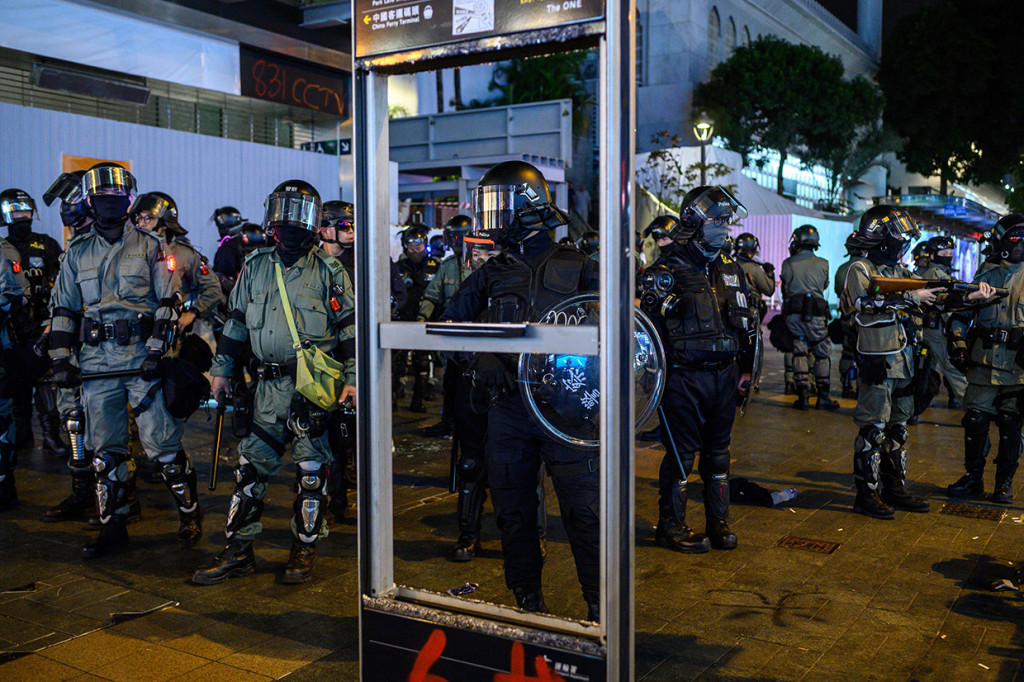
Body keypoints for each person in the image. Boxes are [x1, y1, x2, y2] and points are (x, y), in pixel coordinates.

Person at [439, 160, 600, 619]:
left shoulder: (582, 267)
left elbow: (619, 335)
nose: (491, 217)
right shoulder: (492, 272)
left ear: (528, 207)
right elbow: (447, 327)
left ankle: (598, 608)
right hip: (508, 408)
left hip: (567, 410)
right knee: (513, 514)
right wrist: (479, 357)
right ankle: (527, 603)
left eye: (499, 204)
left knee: (586, 516)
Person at [193, 180, 356, 585]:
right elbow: (236, 322)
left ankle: (304, 548)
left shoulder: (329, 270)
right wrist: (221, 369)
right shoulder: (256, 265)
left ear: (316, 222)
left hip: (312, 389)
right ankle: (239, 551)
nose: (289, 220)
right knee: (251, 470)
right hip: (266, 389)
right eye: (283, 210)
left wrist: (351, 381)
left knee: (311, 473)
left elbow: (351, 331)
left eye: (299, 212)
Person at [48, 163, 198, 557]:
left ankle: (189, 512)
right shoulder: (76, 252)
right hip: (95, 366)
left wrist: (155, 351)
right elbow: (63, 309)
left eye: (117, 195)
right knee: (105, 451)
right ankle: (113, 525)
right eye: (102, 196)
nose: (109, 202)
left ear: (128, 199)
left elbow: (168, 303)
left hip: (140, 361)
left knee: (162, 446)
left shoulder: (153, 247)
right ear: (91, 200)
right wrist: (61, 359)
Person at [840, 206, 991, 519]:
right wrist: (913, 298)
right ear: (880, 237)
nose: (901, 242)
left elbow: (932, 301)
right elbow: (864, 304)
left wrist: (971, 298)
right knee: (873, 429)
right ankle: (865, 495)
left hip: (904, 361)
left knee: (898, 429)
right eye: (896, 235)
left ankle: (893, 488)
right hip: (878, 361)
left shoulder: (899, 272)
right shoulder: (860, 268)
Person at [638, 186, 756, 556]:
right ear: (693, 224)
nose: (723, 228)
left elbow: (748, 324)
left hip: (726, 375)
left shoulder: (731, 268)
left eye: (725, 221)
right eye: (715, 221)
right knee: (681, 456)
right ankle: (671, 525)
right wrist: (654, 381)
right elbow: (646, 333)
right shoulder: (666, 270)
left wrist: (746, 371)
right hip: (683, 378)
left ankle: (717, 522)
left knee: (719, 454)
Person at [947, 214, 1024, 504]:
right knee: (976, 421)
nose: (1019, 248)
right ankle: (973, 478)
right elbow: (961, 312)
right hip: (983, 365)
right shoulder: (985, 274)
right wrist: (956, 339)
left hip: (1018, 369)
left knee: (1010, 424)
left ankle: (1004, 482)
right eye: (1014, 242)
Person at [0, 188, 67, 456]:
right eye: (16, 211)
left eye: (26, 210)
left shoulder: (46, 244)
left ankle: (51, 435)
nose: (22, 216)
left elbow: (63, 282)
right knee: (14, 379)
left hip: (41, 322)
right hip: (10, 326)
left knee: (44, 378)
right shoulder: (3, 248)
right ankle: (20, 434)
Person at [417, 215, 474, 439]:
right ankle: (448, 422)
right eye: (453, 236)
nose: (457, 241)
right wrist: (423, 318)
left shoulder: (485, 264)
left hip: (479, 337)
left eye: (461, 236)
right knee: (451, 383)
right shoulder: (448, 266)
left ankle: (472, 428)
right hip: (453, 337)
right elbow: (432, 295)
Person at [781, 225, 838, 410]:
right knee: (822, 354)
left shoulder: (788, 263)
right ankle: (822, 397)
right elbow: (824, 285)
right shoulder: (824, 263)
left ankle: (803, 397)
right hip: (816, 316)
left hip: (794, 316)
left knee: (799, 351)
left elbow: (786, 289)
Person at [394, 224, 440, 412]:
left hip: (426, 319)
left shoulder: (436, 266)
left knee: (423, 360)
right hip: (402, 319)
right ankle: (394, 397)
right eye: (411, 244)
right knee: (398, 360)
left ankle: (419, 399)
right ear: (405, 245)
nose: (415, 247)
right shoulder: (397, 267)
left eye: (419, 243)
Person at [917, 235, 967, 409]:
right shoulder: (938, 276)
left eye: (949, 252)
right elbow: (947, 306)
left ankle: (914, 410)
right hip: (935, 330)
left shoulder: (926, 273)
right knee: (951, 367)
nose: (947, 256)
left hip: (927, 329)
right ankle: (971, 407)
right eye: (943, 252)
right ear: (932, 255)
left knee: (924, 371)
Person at [834, 241, 867, 399]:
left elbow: (837, 291)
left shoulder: (841, 269)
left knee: (847, 352)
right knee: (865, 352)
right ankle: (862, 388)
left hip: (846, 317)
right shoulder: (867, 268)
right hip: (864, 319)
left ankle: (846, 385)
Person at [733, 232, 775, 322]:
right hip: (750, 313)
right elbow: (769, 290)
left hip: (732, 311)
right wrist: (770, 273)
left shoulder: (730, 264)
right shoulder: (754, 269)